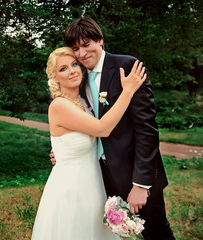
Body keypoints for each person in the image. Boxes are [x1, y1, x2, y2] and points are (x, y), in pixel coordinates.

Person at [50, 17, 175, 240]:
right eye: (76, 49)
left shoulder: (126, 67)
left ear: (100, 40)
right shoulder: (80, 77)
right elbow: (83, 123)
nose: (81, 54)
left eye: (86, 44)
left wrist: (141, 184)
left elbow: (146, 129)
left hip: (135, 174)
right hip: (101, 178)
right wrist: (63, 149)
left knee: (157, 234)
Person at [31, 47, 146, 239]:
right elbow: (102, 129)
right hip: (72, 189)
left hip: (93, 183)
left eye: (74, 64)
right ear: (55, 78)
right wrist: (128, 91)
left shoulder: (83, 101)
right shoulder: (59, 105)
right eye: (63, 69)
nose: (73, 70)